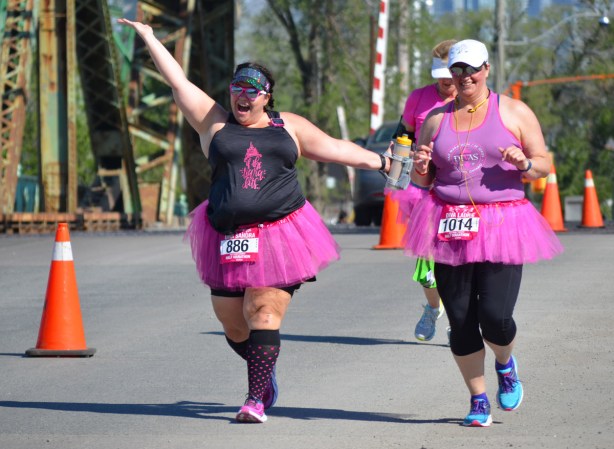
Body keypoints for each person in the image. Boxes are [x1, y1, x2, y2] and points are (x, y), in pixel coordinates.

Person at [117, 18, 391, 424]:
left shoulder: (288, 127)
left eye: (252, 91)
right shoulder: (215, 122)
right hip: (224, 234)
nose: (242, 98)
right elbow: (179, 83)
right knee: (234, 326)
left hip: (280, 232)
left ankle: (254, 399)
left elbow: (336, 149)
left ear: (266, 97)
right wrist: (150, 38)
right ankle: (264, 368)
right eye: (237, 89)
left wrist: (383, 161)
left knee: (263, 313)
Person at [405, 39, 563, 427]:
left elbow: (543, 163)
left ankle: (506, 365)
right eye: (457, 71)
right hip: (448, 222)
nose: (464, 77)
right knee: (460, 319)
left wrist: (525, 161)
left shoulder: (513, 111)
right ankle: (477, 399)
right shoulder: (436, 120)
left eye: (471, 70)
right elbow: (421, 178)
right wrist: (421, 164)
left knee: (494, 317)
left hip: (501, 223)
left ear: (486, 69)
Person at [394, 39, 457, 343]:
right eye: (440, 73)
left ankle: (460, 320)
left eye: (451, 72)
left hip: (462, 189)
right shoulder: (419, 98)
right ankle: (434, 308)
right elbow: (403, 135)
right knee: (426, 260)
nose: (446, 80)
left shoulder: (475, 98)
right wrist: (395, 170)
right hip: (424, 187)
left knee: (459, 256)